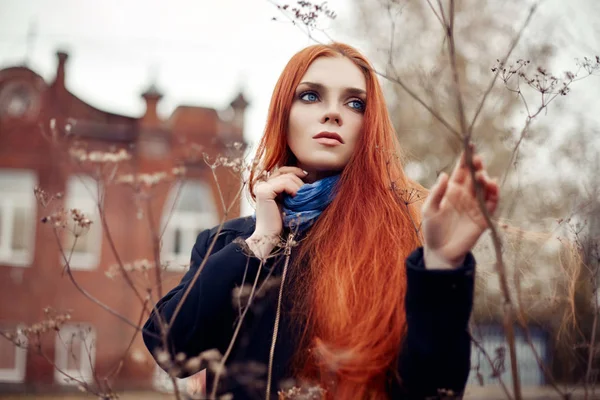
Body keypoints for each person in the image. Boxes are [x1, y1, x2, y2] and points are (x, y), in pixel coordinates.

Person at [143, 42, 499, 399]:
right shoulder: (226, 243)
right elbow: (173, 351)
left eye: (354, 103)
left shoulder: (398, 243)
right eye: (311, 96)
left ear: (369, 126)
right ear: (283, 114)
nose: (333, 114)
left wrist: (441, 267)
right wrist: (261, 242)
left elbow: (434, 391)